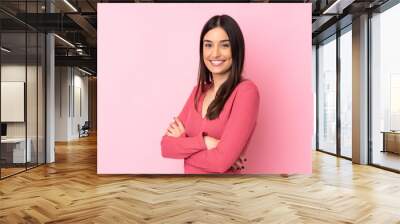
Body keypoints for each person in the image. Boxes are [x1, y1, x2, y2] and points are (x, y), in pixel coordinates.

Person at [160, 14, 260, 174]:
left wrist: (184, 147)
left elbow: (220, 163)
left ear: (236, 48)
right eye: (208, 45)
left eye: (224, 45)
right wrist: (205, 142)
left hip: (220, 195)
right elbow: (166, 147)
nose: (215, 54)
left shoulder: (246, 92)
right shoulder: (198, 92)